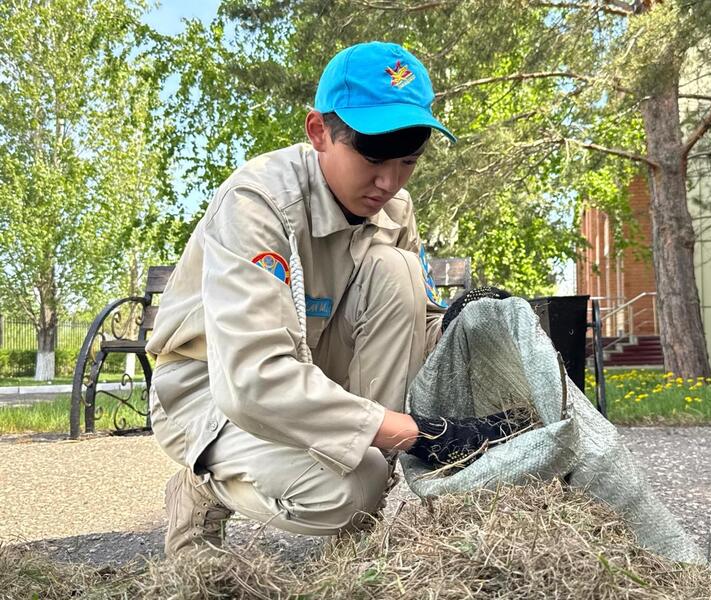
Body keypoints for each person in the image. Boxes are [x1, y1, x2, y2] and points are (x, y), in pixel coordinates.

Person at [147, 41, 519, 557]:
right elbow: (253, 379)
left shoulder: (394, 206)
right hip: (211, 390)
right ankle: (202, 483)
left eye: (408, 160)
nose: (389, 181)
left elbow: (410, 328)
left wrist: (463, 322)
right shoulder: (258, 203)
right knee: (350, 489)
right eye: (372, 155)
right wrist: (417, 433)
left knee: (398, 268)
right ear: (319, 132)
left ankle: (351, 552)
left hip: (312, 376)